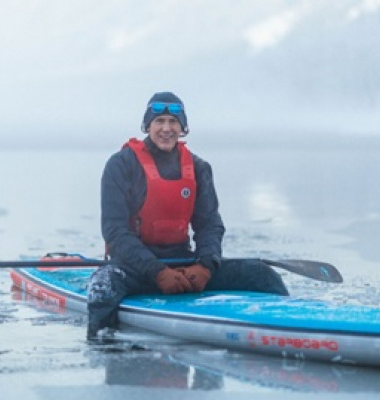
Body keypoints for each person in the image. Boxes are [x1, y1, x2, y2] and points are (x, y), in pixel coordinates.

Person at [87, 91, 289, 342]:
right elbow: (115, 232)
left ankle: (291, 329)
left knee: (261, 275)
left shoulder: (199, 167)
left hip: (183, 265)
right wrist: (158, 273)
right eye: (159, 121)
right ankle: (104, 349)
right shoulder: (121, 165)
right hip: (133, 269)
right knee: (102, 290)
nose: (166, 128)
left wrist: (205, 266)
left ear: (183, 128)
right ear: (147, 125)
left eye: (173, 122)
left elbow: (209, 225)